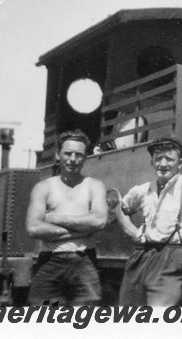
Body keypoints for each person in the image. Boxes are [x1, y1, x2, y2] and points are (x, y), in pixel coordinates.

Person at [111, 135, 182, 306]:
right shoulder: (143, 190)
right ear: (152, 162)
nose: (163, 164)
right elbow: (121, 207)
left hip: (171, 257)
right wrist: (132, 231)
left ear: (180, 163)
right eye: (158, 159)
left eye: (169, 159)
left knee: (159, 319)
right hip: (140, 255)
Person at [25, 129, 108, 305]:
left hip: (84, 261)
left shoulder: (94, 186)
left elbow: (99, 221)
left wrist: (54, 218)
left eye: (79, 154)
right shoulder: (43, 187)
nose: (72, 159)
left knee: (85, 323)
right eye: (67, 153)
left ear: (85, 157)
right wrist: (81, 232)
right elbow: (33, 228)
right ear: (57, 155)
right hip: (50, 261)